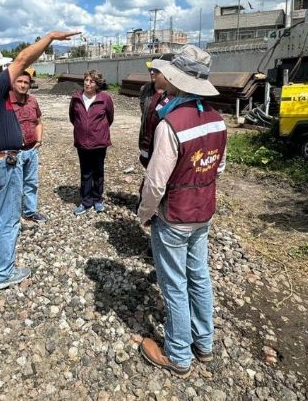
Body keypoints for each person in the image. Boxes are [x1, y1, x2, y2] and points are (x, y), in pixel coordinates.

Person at [137, 45, 227, 378]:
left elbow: (156, 182)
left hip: (174, 215)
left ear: (177, 81)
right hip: (203, 211)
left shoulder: (170, 124)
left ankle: (178, 354)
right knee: (199, 277)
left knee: (174, 284)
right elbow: (218, 169)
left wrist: (145, 213)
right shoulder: (217, 120)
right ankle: (204, 343)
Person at [0, 31, 79, 290]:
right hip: (3, 163)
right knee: (7, 219)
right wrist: (50, 38)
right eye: (2, 67)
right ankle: (2, 274)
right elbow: (23, 60)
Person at [68, 70, 114, 215]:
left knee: (98, 172)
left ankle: (98, 199)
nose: (88, 83)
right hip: (82, 142)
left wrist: (98, 131)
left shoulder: (105, 99)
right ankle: (86, 201)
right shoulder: (76, 98)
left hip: (99, 142)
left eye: (92, 81)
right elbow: (72, 117)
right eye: (86, 80)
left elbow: (110, 117)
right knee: (85, 172)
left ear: (97, 84)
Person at [11, 68, 48, 223]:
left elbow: (38, 122)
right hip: (13, 152)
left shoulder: (32, 101)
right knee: (14, 186)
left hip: (32, 150)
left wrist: (39, 141)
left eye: (26, 82)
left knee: (31, 183)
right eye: (19, 81)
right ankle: (12, 216)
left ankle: (29, 212)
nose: (23, 85)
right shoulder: (5, 102)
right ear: (13, 83)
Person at [139, 54, 174, 167]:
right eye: (151, 69)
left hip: (163, 144)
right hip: (146, 140)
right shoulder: (145, 89)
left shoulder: (174, 95)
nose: (152, 72)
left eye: (156, 70)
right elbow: (144, 115)